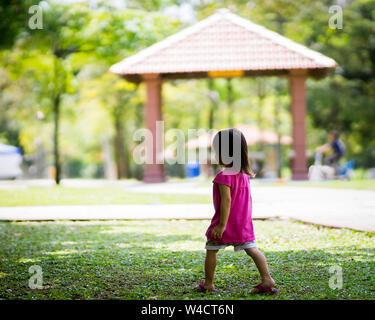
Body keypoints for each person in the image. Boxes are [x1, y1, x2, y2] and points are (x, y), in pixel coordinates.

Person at [195, 128, 278, 295]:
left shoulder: (223, 176)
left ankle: (208, 283)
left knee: (211, 249)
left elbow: (226, 201)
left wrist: (221, 225)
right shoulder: (243, 175)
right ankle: (267, 279)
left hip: (225, 224)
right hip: (243, 224)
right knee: (252, 249)